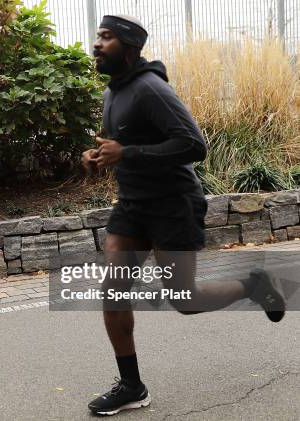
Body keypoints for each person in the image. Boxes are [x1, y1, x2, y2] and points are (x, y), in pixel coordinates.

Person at [81, 15, 286, 416]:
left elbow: (194, 144)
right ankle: (131, 385)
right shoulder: (113, 93)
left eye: (106, 38)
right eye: (98, 36)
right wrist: (98, 158)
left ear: (129, 47)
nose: (96, 44)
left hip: (173, 205)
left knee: (185, 300)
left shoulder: (150, 89)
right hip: (133, 206)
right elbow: (124, 146)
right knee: (114, 291)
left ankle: (254, 284)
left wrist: (128, 153)